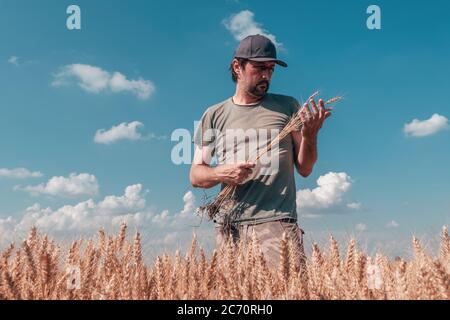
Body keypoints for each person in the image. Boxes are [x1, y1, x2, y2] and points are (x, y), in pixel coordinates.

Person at [190, 34, 332, 269]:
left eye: (271, 69)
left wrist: (311, 136)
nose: (266, 75)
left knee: (290, 292)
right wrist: (221, 174)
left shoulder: (287, 107)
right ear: (238, 66)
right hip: (230, 225)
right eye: (259, 68)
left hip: (277, 222)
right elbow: (196, 175)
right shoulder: (214, 115)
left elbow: (305, 168)